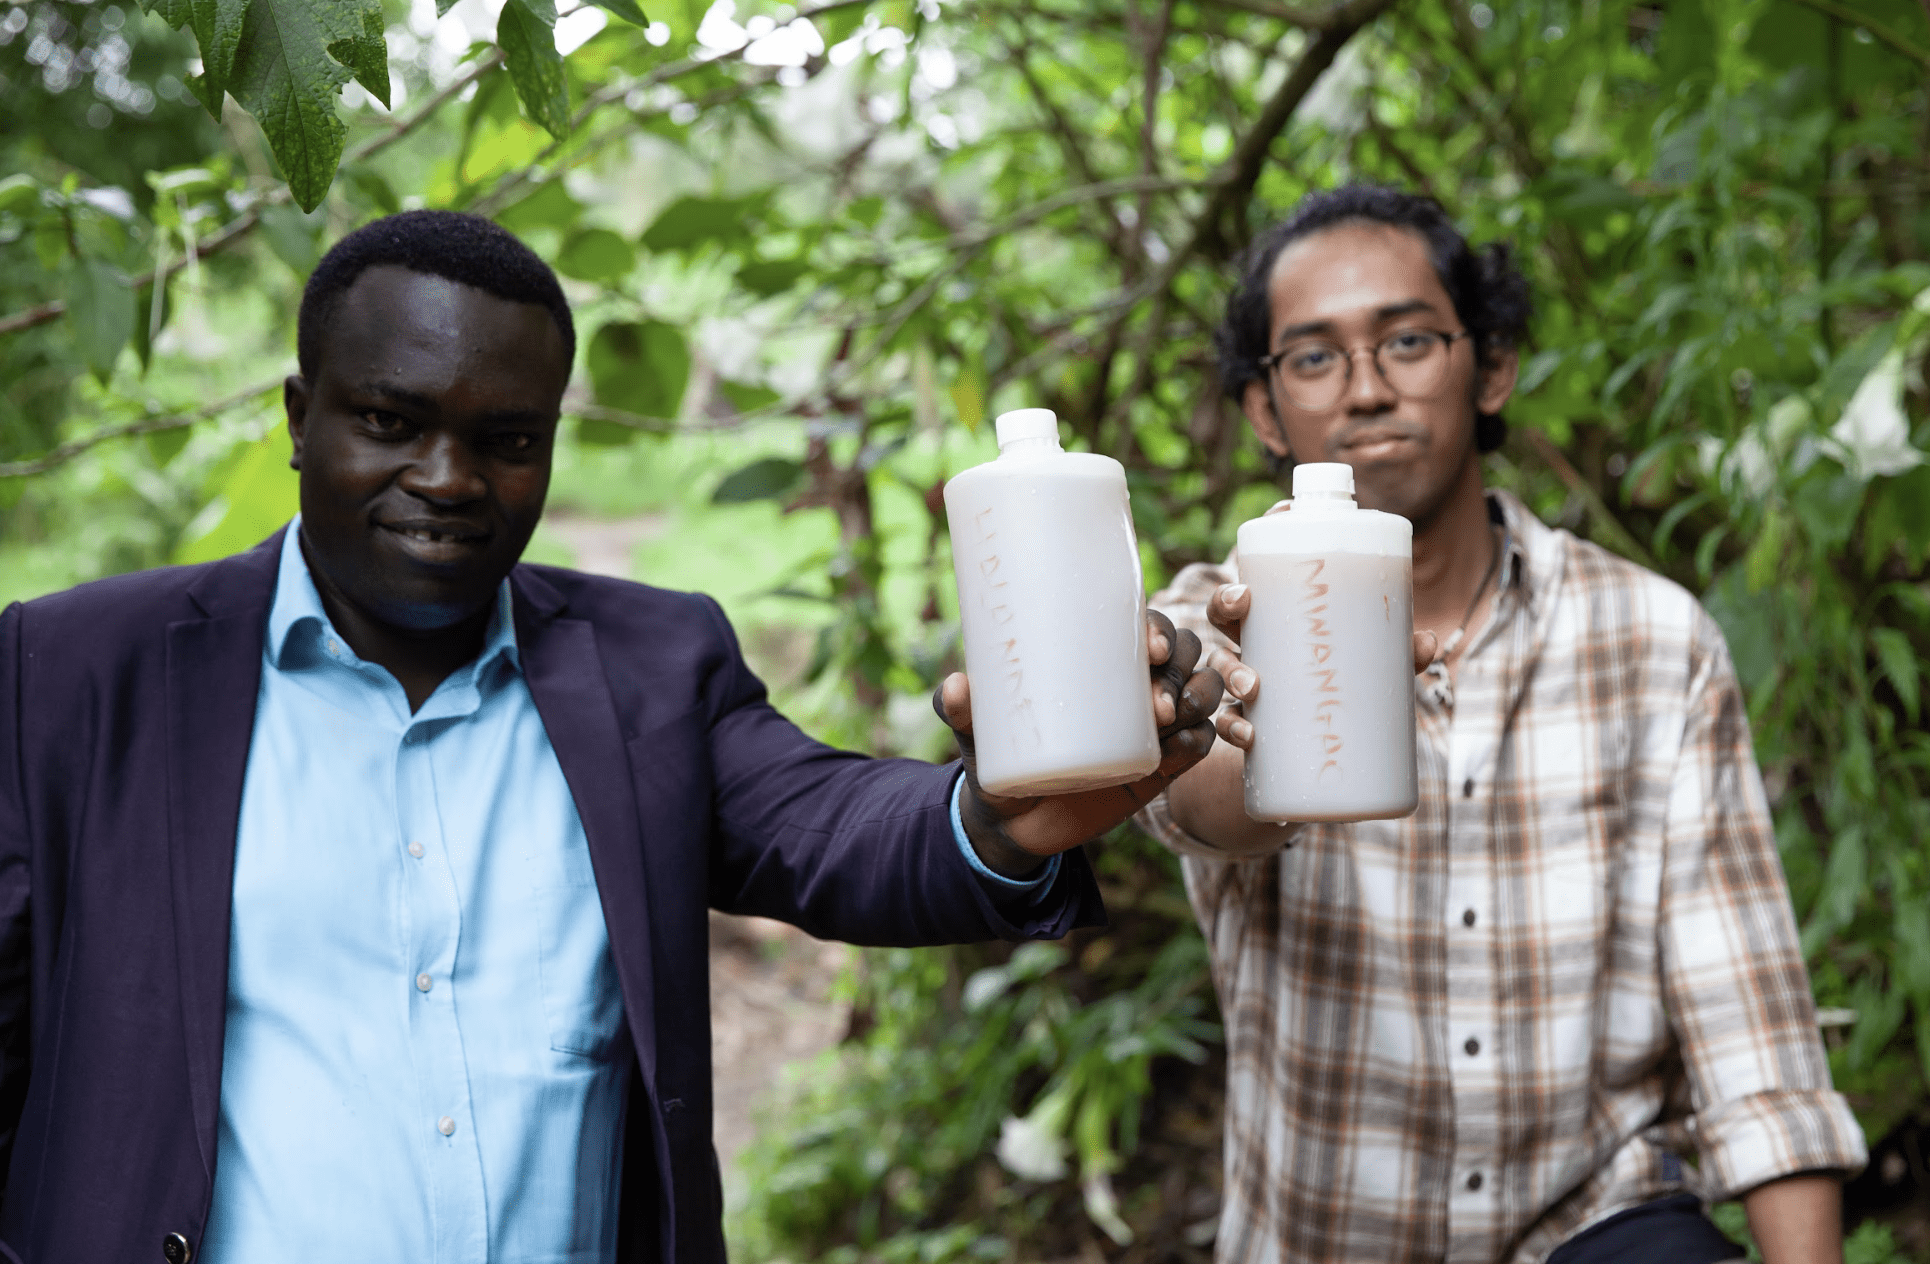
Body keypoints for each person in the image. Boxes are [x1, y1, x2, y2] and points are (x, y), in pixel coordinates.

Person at [0, 210, 1224, 1264]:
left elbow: (829, 825)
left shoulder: (651, 666)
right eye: (388, 418)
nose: (449, 475)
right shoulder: (71, 675)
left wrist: (1000, 811)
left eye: (507, 438)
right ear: (299, 414)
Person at [1138, 185, 1867, 1264]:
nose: (1367, 390)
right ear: (1262, 409)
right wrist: (1281, 689)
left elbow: (1747, 1020)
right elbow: (1199, 809)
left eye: (1409, 340)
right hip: (1330, 1234)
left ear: (1491, 367)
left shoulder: (1653, 638)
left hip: (1600, 1217)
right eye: (1312, 358)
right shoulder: (1211, 621)